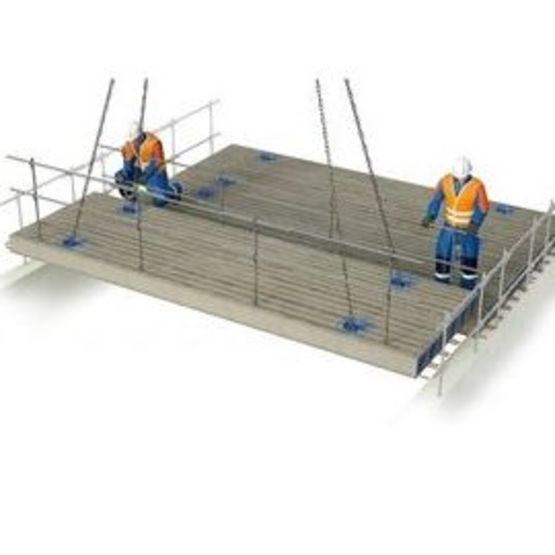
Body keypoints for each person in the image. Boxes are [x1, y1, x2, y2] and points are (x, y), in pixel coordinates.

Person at [422, 157, 490, 290]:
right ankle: (441, 282)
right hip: (449, 226)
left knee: (469, 257)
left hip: (467, 229)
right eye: (458, 176)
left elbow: (483, 207)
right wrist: (430, 215)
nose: (460, 179)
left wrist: (474, 224)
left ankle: (467, 287)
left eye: (463, 177)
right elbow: (436, 199)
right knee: (442, 253)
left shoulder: (477, 186)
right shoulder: (445, 181)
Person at [115, 122, 181, 207]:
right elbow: (128, 162)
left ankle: (173, 190)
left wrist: (145, 177)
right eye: (132, 140)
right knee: (120, 176)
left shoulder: (154, 143)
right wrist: (125, 176)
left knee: (160, 200)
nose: (133, 143)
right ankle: (131, 197)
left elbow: (157, 162)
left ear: (141, 136)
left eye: (135, 140)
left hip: (155, 173)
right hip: (139, 169)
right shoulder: (130, 143)